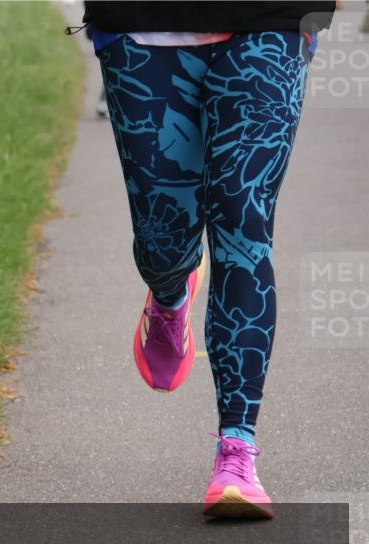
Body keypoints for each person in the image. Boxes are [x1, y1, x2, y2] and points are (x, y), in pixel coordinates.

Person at [80, 1, 335, 518]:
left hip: (271, 21)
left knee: (244, 224)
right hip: (142, 24)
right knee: (163, 238)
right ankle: (170, 290)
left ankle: (236, 451)